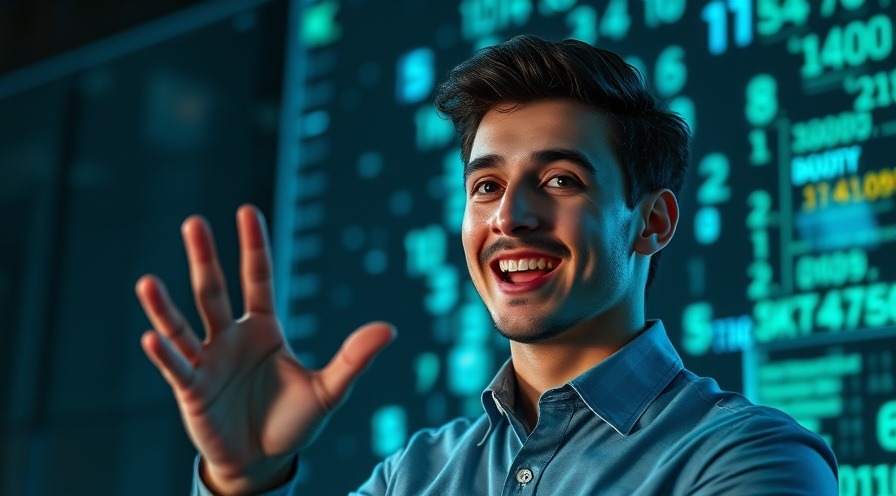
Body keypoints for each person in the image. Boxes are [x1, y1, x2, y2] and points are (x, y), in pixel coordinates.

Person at [136, 35, 838, 495]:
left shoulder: (750, 462)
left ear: (651, 221)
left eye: (560, 179)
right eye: (486, 186)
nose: (510, 216)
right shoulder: (412, 476)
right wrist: (242, 481)